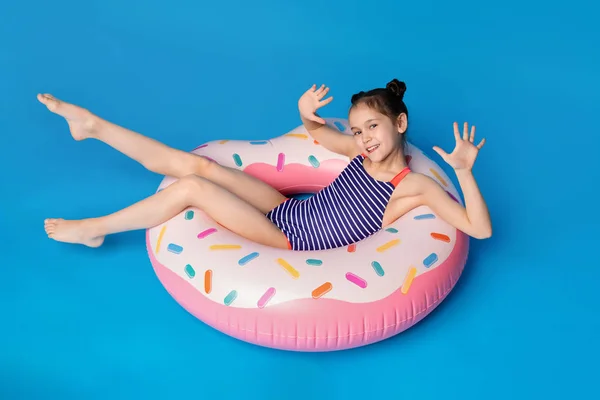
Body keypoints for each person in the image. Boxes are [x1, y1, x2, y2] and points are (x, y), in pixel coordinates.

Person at [39, 79, 492, 251]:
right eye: (358, 131)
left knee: (192, 189)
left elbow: (479, 228)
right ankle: (94, 126)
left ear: (400, 122)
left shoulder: (411, 186)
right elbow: (317, 134)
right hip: (285, 209)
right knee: (198, 166)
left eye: (373, 127)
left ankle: (93, 227)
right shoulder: (358, 153)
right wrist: (303, 112)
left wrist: (465, 171)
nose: (364, 139)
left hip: (290, 238)